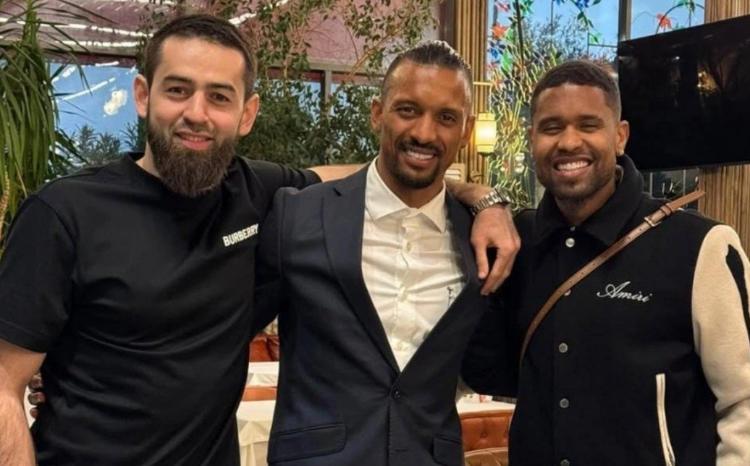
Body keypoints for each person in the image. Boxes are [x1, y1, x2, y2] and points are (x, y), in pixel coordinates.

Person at [0, 14, 518, 466]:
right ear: (143, 94)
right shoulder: (64, 212)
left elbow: (381, 175)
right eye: (177, 90)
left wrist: (483, 198)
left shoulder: (257, 192)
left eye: (218, 96)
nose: (197, 113)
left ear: (246, 114)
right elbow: (4, 385)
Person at [462, 60, 750, 466]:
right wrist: (479, 197)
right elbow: (486, 373)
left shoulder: (699, 246)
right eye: (551, 127)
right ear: (532, 140)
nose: (568, 142)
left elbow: (743, 400)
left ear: (620, 136)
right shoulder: (518, 243)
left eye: (588, 125)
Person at [252, 41, 514, 466]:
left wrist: (489, 200)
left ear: (466, 132)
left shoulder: (482, 240)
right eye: (408, 110)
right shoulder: (299, 216)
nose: (424, 133)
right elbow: (227, 338)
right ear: (377, 113)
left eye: (446, 118)